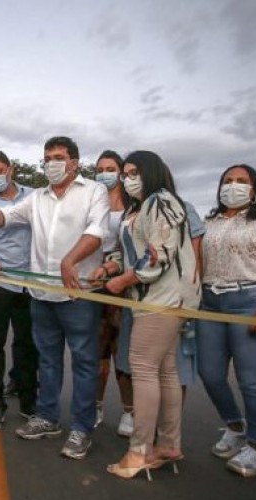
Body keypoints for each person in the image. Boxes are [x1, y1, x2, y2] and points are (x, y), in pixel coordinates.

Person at [0, 136, 108, 459]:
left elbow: (97, 232)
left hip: (79, 296)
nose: (52, 163)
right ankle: (48, 417)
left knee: (84, 364)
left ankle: (81, 429)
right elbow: (9, 216)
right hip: (42, 296)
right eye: (47, 157)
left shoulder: (94, 191)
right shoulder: (36, 198)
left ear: (75, 162)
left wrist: (70, 260)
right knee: (47, 361)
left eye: (59, 157)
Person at [102, 151, 200, 479]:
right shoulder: (139, 207)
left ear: (152, 172)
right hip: (154, 299)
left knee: (142, 369)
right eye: (125, 173)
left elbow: (157, 257)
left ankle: (138, 452)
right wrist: (110, 266)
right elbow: (128, 251)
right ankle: (168, 444)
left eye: (134, 172)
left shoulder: (161, 201)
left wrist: (124, 280)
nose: (127, 178)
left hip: (161, 299)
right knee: (166, 372)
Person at [196, 164, 256, 477]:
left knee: (252, 380)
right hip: (210, 303)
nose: (233, 186)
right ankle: (235, 426)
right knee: (210, 373)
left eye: (241, 181)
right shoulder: (207, 223)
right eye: (227, 180)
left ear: (254, 190)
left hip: (252, 302)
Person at [0, 150, 39, 430]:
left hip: (33, 283)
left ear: (10, 169)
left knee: (28, 344)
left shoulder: (36, 197)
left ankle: (28, 401)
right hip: (1, 282)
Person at [91, 150, 134, 434]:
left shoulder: (133, 205)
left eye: (110, 168)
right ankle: (95, 405)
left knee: (124, 350)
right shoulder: (92, 201)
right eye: (100, 168)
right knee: (97, 350)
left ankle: (130, 411)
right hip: (95, 280)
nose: (105, 173)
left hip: (125, 283)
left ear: (120, 172)